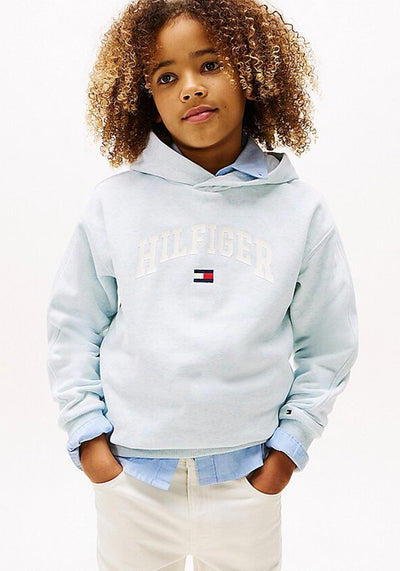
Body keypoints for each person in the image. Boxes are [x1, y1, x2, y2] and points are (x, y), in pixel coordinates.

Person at [46, 0, 359, 569]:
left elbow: (330, 344)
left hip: (247, 477)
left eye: (210, 64)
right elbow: (73, 326)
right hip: (131, 479)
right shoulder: (114, 204)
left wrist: (287, 451)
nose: (190, 87)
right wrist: (90, 441)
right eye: (166, 76)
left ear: (253, 70)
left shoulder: (300, 210)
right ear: (145, 97)